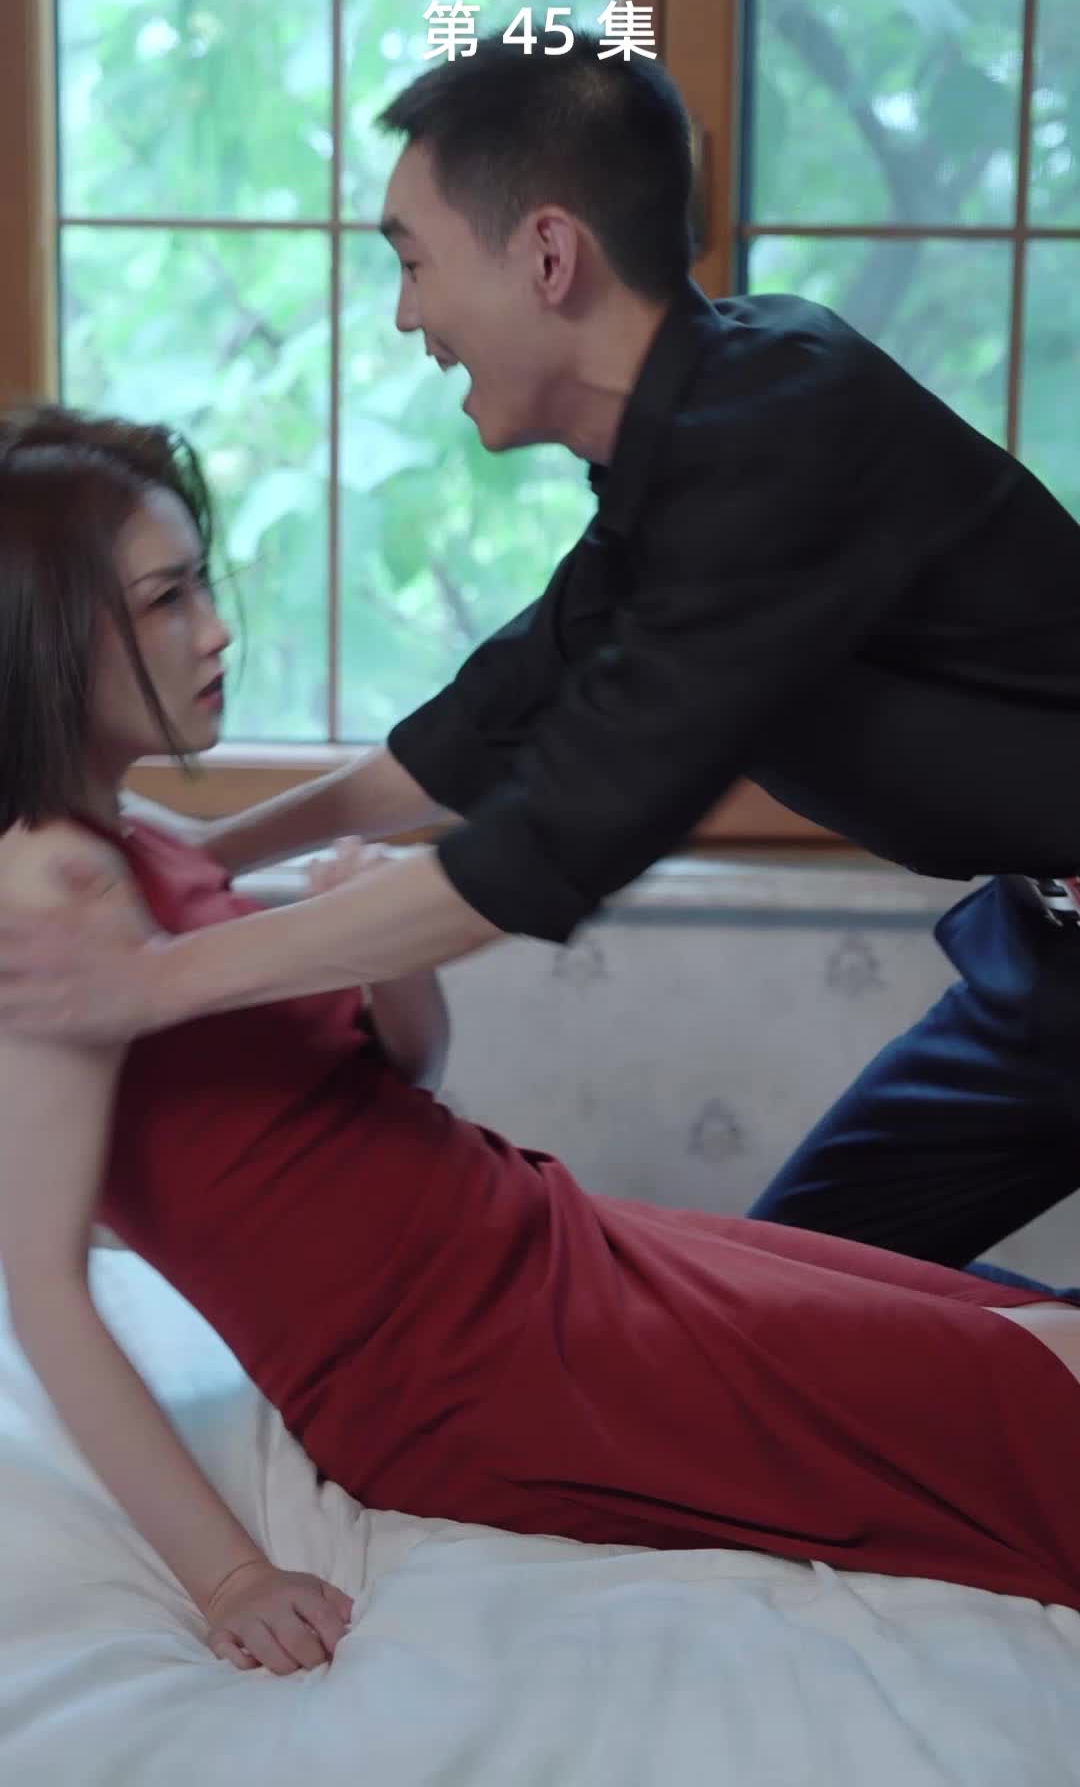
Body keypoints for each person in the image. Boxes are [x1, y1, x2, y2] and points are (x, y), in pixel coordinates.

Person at [5, 404, 1080, 1690]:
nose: (217, 628)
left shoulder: (144, 840)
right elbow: (42, 1281)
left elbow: (396, 1083)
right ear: (45, 636)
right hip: (455, 1363)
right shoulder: (48, 892)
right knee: (1014, 1411)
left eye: (203, 584)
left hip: (532, 1236)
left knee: (1013, 1326)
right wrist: (232, 1578)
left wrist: (382, 954)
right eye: (167, 599)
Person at [4, 29, 1080, 1284]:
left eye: (416, 264)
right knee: (788, 1298)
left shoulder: (778, 437)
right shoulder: (693, 443)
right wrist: (201, 858)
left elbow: (537, 847)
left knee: (830, 1335)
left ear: (549, 255)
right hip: (1049, 960)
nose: (409, 317)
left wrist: (149, 982)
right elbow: (490, 722)